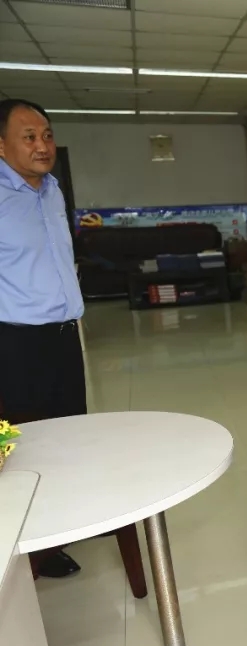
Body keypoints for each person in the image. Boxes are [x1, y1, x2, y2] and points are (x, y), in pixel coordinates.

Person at [0, 98, 84, 580]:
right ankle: (23, 547)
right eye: (29, 136)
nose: (42, 145)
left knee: (69, 437)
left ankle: (58, 533)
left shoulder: (52, 190)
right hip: (15, 345)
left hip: (63, 339)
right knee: (20, 447)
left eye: (47, 135)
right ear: (2, 145)